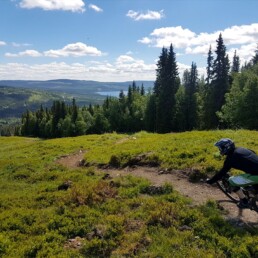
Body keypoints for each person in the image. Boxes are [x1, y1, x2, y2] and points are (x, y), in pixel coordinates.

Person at [206, 138, 258, 208]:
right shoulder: (242, 149)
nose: (220, 150)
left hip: (256, 176)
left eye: (220, 148)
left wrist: (210, 181)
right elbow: (253, 154)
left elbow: (221, 174)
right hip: (255, 174)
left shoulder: (231, 158)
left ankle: (244, 201)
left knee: (231, 180)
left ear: (226, 148)